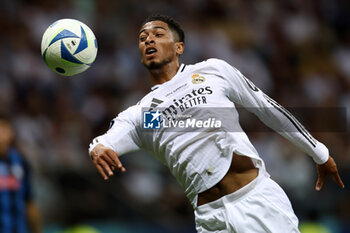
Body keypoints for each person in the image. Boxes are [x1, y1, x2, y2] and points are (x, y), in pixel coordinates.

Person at [89, 14, 344, 232]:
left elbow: (268, 109)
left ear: (179, 47)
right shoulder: (141, 112)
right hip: (212, 220)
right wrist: (98, 148)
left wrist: (318, 151)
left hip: (258, 201)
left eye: (158, 34)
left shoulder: (213, 71)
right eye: (143, 38)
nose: (148, 40)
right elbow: (108, 139)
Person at [0, 117, 42, 233]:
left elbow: (30, 201)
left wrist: (37, 229)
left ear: (11, 132)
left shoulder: (21, 161)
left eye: (3, 128)